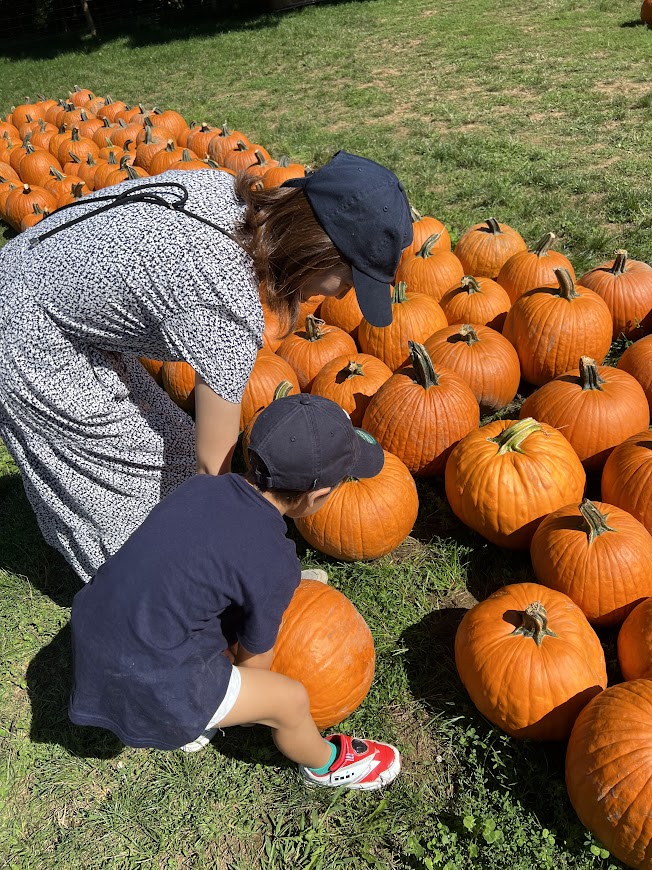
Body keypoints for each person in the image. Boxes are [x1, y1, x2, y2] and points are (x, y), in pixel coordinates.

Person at [0, 150, 413, 583]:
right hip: (25, 333)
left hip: (39, 279)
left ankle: (196, 570)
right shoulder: (223, 297)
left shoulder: (233, 201)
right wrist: (238, 556)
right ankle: (148, 598)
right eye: (349, 280)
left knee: (172, 446)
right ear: (318, 252)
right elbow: (212, 468)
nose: (345, 297)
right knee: (121, 496)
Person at [68, 393, 401, 791]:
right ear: (317, 497)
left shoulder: (201, 487)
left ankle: (192, 708)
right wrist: (249, 684)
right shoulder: (274, 560)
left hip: (92, 632)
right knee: (288, 700)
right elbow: (255, 667)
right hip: (151, 684)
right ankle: (329, 763)